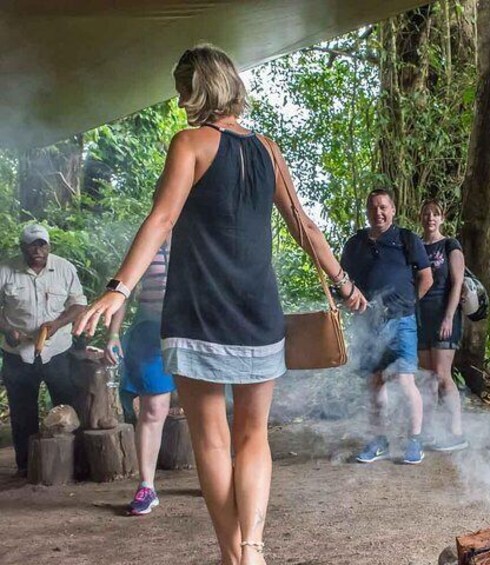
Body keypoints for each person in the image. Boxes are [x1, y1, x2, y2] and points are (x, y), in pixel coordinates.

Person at [74, 44, 366, 565]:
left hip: (199, 312)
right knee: (253, 436)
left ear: (199, 88)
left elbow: (162, 220)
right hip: (258, 313)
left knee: (212, 439)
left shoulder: (189, 144)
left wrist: (118, 288)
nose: (181, 99)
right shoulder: (268, 150)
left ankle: (233, 555)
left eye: (183, 87)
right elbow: (305, 227)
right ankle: (252, 550)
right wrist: (342, 281)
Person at [341, 189, 433, 465]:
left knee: (405, 381)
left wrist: (408, 303)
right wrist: (347, 301)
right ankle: (378, 440)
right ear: (367, 211)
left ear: (393, 210)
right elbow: (343, 281)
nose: (378, 212)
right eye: (373, 208)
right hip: (367, 324)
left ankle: (414, 441)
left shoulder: (407, 239)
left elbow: (426, 277)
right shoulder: (355, 243)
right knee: (375, 383)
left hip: (401, 321)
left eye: (383, 207)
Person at [0, 224, 87, 476]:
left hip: (57, 351)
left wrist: (59, 323)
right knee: (22, 411)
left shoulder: (64, 268)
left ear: (49, 246)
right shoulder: (6, 270)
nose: (38, 249)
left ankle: (75, 464)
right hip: (18, 354)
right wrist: (7, 329)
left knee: (67, 406)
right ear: (22, 247)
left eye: (42, 244)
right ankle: (26, 467)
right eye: (32, 245)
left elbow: (78, 303)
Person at [104, 237, 173, 515]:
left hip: (196, 330)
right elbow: (125, 288)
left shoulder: (200, 236)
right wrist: (113, 334)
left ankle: (215, 475)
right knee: (153, 408)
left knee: (205, 406)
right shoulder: (147, 243)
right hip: (150, 332)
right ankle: (147, 486)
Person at [417, 200, 468, 452]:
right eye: (426, 214)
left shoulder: (450, 245)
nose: (430, 218)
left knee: (442, 374)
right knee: (427, 378)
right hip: (420, 316)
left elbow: (457, 283)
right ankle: (430, 430)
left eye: (435, 214)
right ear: (420, 217)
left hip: (444, 315)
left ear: (442, 218)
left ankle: (456, 431)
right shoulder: (416, 245)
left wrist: (449, 317)